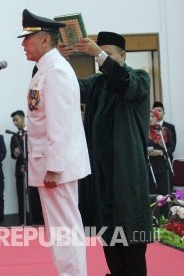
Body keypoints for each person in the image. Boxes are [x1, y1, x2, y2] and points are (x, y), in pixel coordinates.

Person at [59, 31, 153, 275]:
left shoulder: (138, 78)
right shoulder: (97, 84)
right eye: (100, 54)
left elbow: (124, 83)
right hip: (102, 183)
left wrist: (97, 53)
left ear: (122, 55)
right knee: (110, 247)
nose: (102, 60)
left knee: (132, 251)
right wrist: (56, 60)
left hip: (127, 181)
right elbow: (68, 90)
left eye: (107, 54)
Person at [18, 10, 91, 276]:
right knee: (60, 231)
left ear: (45, 41)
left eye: (28, 39)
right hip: (49, 166)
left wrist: (54, 167)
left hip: (56, 168)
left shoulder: (57, 71)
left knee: (65, 230)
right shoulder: (46, 70)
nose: (23, 45)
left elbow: (59, 125)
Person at [10, 110, 44, 226]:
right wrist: (15, 153)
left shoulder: (32, 133)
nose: (15, 122)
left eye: (17, 119)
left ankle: (38, 220)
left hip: (34, 170)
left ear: (23, 118)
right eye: (13, 121)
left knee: (36, 197)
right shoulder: (14, 136)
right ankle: (22, 222)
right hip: (21, 172)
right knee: (21, 197)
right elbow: (12, 155)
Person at [148, 109, 175, 213]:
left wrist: (161, 152)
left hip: (163, 166)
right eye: (148, 116)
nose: (150, 119)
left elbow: (171, 147)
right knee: (153, 193)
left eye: (153, 116)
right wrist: (147, 153)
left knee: (165, 193)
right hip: (150, 167)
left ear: (157, 117)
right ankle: (154, 218)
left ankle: (167, 217)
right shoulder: (144, 131)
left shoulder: (164, 131)